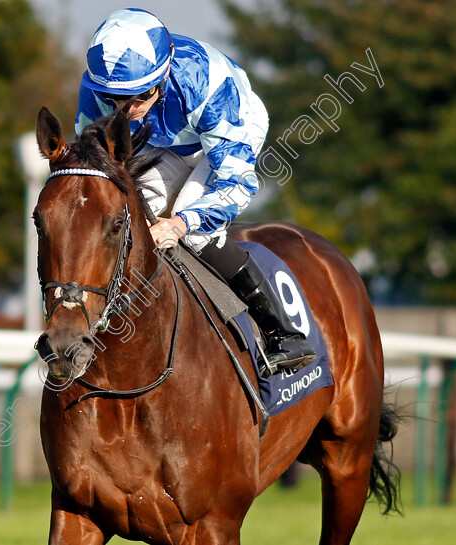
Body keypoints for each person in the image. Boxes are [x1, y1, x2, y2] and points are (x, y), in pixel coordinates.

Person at [75, 8, 315, 371]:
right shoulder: (99, 90)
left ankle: (283, 332)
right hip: (166, 143)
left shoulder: (206, 83)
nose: (126, 109)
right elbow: (92, 172)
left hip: (223, 137)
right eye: (114, 99)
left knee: (192, 231)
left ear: (164, 75)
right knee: (130, 217)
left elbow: (236, 185)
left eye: (139, 96)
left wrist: (180, 224)